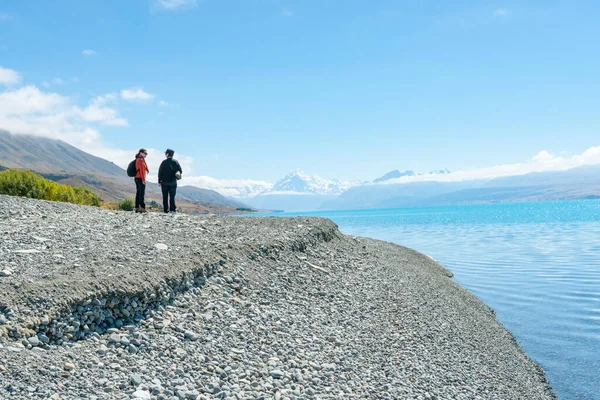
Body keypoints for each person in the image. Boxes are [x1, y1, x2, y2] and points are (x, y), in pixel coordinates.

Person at [158, 148, 182, 213]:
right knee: (172, 197)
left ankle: (166, 210)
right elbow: (180, 171)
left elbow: (160, 173)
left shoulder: (163, 162)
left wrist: (159, 181)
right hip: (173, 182)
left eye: (165, 153)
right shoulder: (176, 162)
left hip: (164, 183)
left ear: (167, 154)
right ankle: (172, 210)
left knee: (165, 197)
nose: (165, 154)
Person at [134, 148, 150, 213]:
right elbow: (142, 171)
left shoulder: (137, 159)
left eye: (146, 154)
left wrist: (147, 170)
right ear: (141, 153)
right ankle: (142, 208)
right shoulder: (141, 160)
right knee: (141, 193)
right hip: (140, 178)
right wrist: (143, 179)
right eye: (145, 153)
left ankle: (137, 207)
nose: (146, 155)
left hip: (136, 178)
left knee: (138, 193)